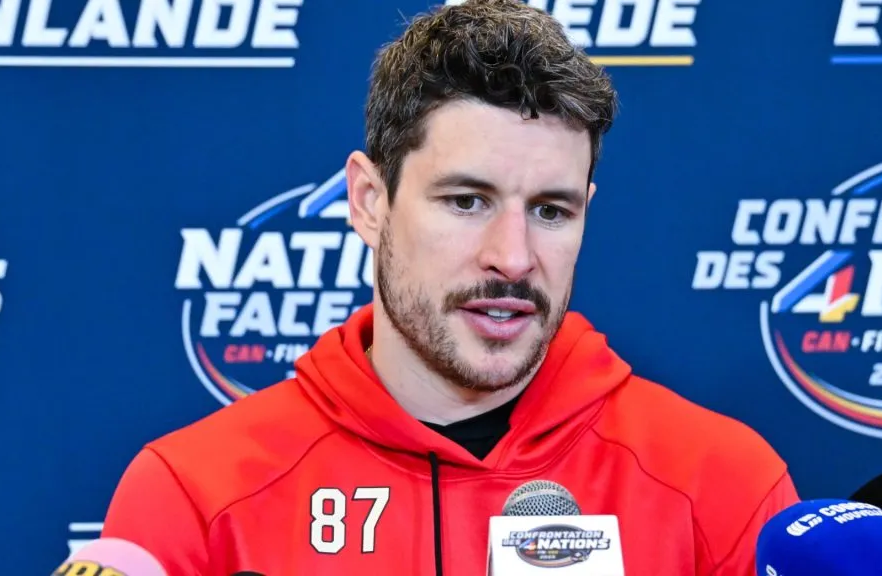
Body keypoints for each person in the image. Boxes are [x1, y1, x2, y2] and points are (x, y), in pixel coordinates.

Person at [101, 0, 800, 574]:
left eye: (551, 211)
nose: (514, 258)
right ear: (370, 201)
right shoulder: (195, 493)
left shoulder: (721, 483)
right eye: (467, 201)